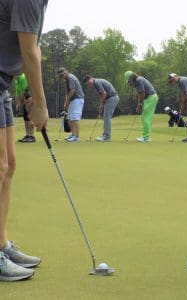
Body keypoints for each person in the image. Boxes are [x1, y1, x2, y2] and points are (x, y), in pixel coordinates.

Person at [0, 0, 49, 281]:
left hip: (4, 82)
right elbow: (28, 51)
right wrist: (40, 105)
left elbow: (33, 48)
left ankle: (1, 243)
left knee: (9, 166)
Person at [124, 71, 159, 142]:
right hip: (151, 97)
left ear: (131, 77)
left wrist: (139, 105)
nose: (129, 83)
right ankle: (147, 136)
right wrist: (139, 104)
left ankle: (146, 137)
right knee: (147, 118)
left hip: (150, 98)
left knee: (145, 117)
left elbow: (142, 93)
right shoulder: (139, 80)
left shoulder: (138, 80)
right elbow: (141, 94)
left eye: (129, 81)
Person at [83, 75, 119, 142]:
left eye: (88, 82)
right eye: (87, 84)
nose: (89, 85)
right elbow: (102, 94)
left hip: (112, 98)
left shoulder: (96, 82)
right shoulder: (96, 82)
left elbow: (104, 94)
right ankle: (105, 135)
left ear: (90, 79)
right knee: (106, 117)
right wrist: (102, 104)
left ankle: (107, 137)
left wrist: (101, 104)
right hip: (110, 98)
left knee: (107, 117)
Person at [57, 67, 84, 142]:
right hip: (73, 100)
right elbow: (68, 92)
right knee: (70, 118)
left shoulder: (70, 78)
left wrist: (67, 101)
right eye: (60, 76)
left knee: (75, 118)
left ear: (66, 72)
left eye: (62, 75)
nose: (62, 77)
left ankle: (77, 137)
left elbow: (72, 90)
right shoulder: (67, 79)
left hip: (78, 99)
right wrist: (66, 103)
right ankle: (73, 135)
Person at [14, 73, 36, 143]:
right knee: (26, 118)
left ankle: (32, 136)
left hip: (30, 98)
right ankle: (27, 135)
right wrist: (18, 104)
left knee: (30, 118)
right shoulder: (16, 80)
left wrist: (21, 102)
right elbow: (17, 93)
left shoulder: (23, 77)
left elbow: (25, 92)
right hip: (24, 99)